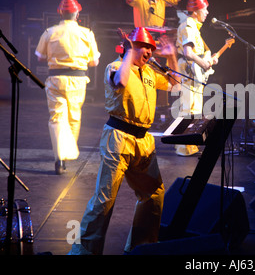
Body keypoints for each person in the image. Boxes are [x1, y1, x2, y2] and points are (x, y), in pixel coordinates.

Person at [68, 27, 179, 255]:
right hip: (118, 139)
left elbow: (175, 82)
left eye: (150, 47)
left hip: (143, 140)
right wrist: (130, 52)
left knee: (154, 194)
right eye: (143, 46)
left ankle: (142, 248)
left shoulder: (149, 72)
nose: (148, 51)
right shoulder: (116, 66)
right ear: (130, 47)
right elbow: (120, 81)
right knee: (104, 199)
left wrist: (172, 56)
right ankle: (83, 253)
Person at [35, 0, 100, 175]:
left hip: (55, 79)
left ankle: (59, 158)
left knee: (56, 118)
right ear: (77, 12)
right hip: (77, 81)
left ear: (60, 13)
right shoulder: (86, 34)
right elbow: (94, 62)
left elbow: (39, 57)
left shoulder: (49, 32)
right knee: (74, 117)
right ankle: (68, 154)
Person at [174, 0, 218, 156]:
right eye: (204, 9)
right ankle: (183, 147)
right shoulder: (188, 26)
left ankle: (189, 146)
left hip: (193, 72)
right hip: (189, 72)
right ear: (196, 11)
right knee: (188, 108)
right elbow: (188, 53)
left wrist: (208, 59)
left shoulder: (193, 27)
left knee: (194, 108)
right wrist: (204, 63)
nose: (207, 13)